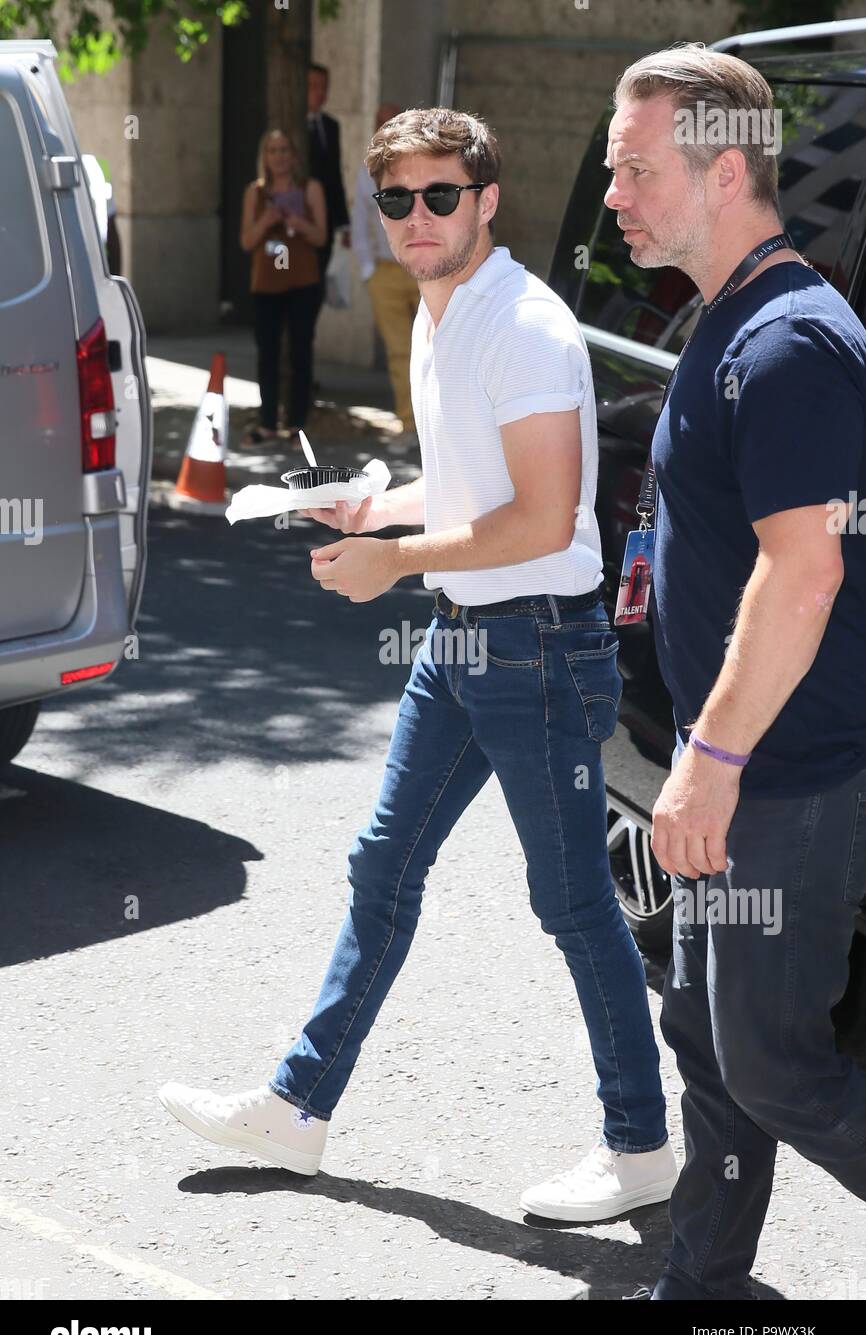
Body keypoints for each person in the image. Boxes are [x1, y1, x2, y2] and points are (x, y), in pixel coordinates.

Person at [159, 108, 678, 1223]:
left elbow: (542, 520)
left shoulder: (522, 327)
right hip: (463, 639)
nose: (418, 218)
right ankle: (298, 1108)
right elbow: (472, 496)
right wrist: (374, 504)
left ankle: (640, 1147)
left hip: (534, 640)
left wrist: (389, 562)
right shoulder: (442, 314)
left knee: (576, 906)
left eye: (441, 196)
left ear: (487, 201)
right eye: (397, 200)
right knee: (382, 864)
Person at [601, 43, 866, 1301]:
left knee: (771, 1065)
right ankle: (697, 1295)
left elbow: (801, 575)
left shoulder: (793, 340)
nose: (613, 195)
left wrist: (705, 763)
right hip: (734, 771)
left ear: (720, 172)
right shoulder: (726, 316)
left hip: (783, 781)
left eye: (634, 168)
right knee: (706, 1039)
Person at [238, 129, 327, 449]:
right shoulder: (255, 192)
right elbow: (247, 241)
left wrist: (298, 221)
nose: (279, 156)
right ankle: (267, 422)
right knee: (268, 354)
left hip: (302, 280)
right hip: (266, 282)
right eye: (272, 150)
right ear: (265, 156)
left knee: (300, 352)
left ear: (294, 155)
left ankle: (297, 424)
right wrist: (267, 220)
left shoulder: (310, 188)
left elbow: (320, 237)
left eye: (284, 150)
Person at [351, 103, 420, 448]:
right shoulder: (367, 173)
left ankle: (437, 427)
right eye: (381, 124)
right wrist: (368, 271)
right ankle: (410, 425)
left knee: (440, 348)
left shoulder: (421, 169)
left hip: (423, 269)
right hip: (385, 270)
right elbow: (359, 222)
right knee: (399, 352)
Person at [307, 62, 351, 329]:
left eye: (324, 87)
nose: (320, 93)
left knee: (315, 290)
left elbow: (335, 176)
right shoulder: (287, 124)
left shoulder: (330, 126)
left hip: (323, 227)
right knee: (287, 275)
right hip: (293, 228)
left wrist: (343, 223)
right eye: (313, 86)